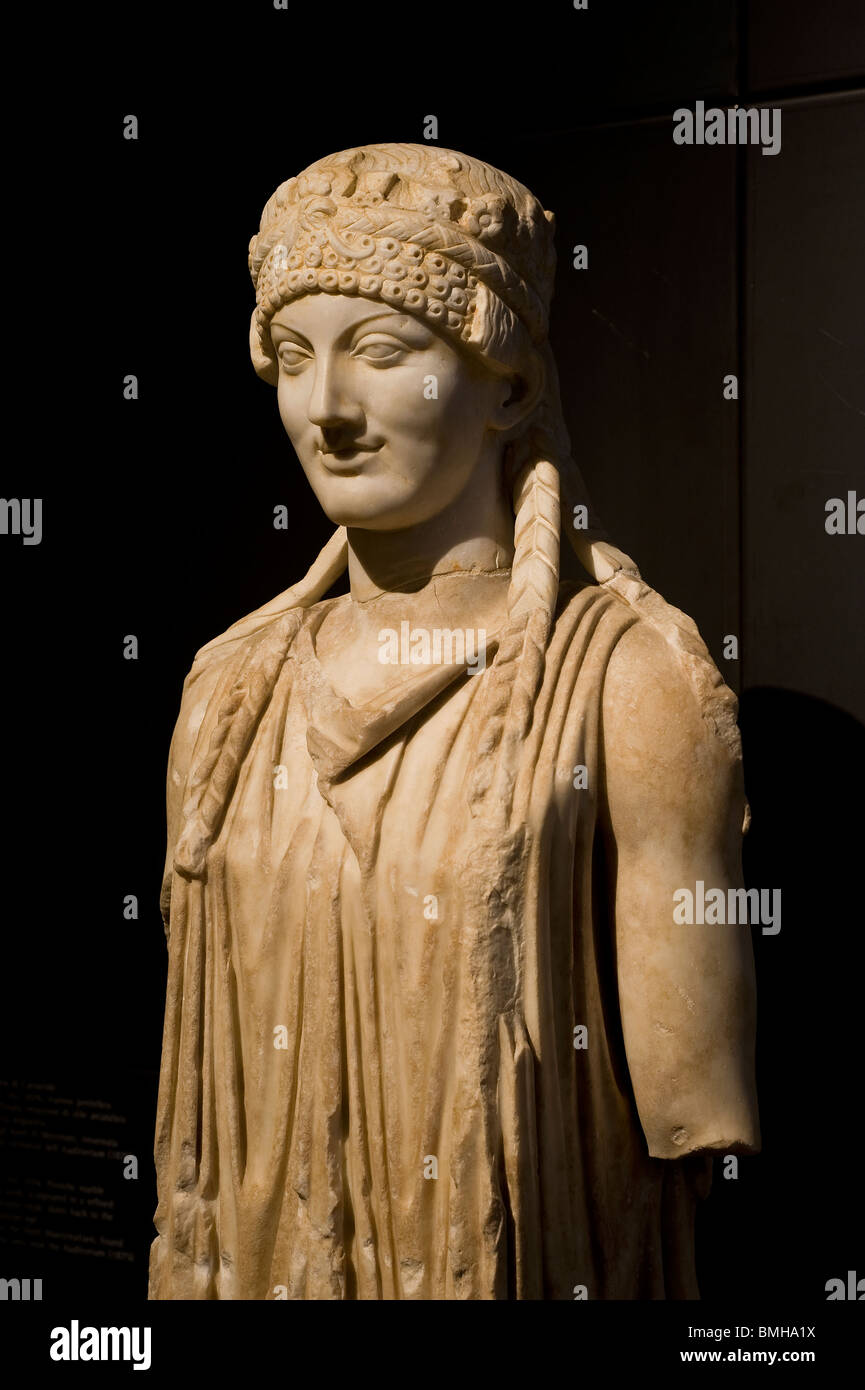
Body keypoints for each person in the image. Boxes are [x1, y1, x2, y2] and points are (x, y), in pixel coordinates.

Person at [149, 143, 759, 1300]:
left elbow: (694, 1112)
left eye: (382, 353)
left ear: (510, 385)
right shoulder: (226, 685)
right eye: (291, 358)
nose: (326, 408)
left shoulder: (627, 686)